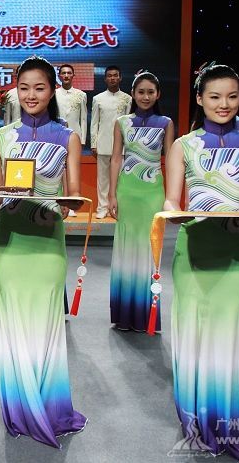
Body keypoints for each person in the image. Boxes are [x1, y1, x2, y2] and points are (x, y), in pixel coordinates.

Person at [0, 56, 86, 446]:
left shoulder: (68, 137)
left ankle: (47, 404)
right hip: (11, 241)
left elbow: (74, 198)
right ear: (16, 91)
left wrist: (57, 203)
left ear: (52, 91)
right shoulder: (0, 137)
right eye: (24, 88)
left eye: (40, 88)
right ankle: (19, 405)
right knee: (14, 321)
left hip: (47, 241)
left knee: (46, 322)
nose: (31, 95)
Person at [162, 63, 239, 459]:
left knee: (232, 335)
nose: (223, 104)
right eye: (214, 96)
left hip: (237, 252)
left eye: (231, 96)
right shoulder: (183, 145)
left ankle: (232, 421)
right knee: (195, 333)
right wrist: (173, 213)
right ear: (199, 98)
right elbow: (171, 200)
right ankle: (199, 418)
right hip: (195, 249)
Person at [108, 71, 173, 332]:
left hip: (152, 193)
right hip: (127, 191)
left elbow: (171, 160)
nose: (146, 96)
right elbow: (116, 158)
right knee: (126, 249)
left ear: (158, 94)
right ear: (133, 94)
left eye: (150, 92)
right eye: (141, 92)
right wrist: (111, 194)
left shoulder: (166, 123)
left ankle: (146, 313)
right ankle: (124, 314)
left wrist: (171, 197)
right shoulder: (122, 122)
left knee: (149, 249)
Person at [90, 66, 132, 219]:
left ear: (120, 78)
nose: (112, 78)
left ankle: (116, 208)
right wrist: (93, 143)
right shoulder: (98, 98)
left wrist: (128, 145)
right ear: (105, 79)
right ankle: (102, 208)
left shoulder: (127, 99)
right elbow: (94, 123)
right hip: (103, 143)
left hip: (121, 146)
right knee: (102, 179)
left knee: (119, 179)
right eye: (109, 76)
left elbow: (128, 124)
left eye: (115, 75)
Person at [55, 63, 87, 144]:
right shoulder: (53, 94)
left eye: (69, 73)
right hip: (56, 136)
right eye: (63, 73)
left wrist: (82, 140)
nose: (66, 76)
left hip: (75, 136)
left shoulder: (81, 95)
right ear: (59, 76)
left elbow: (83, 120)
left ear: (73, 75)